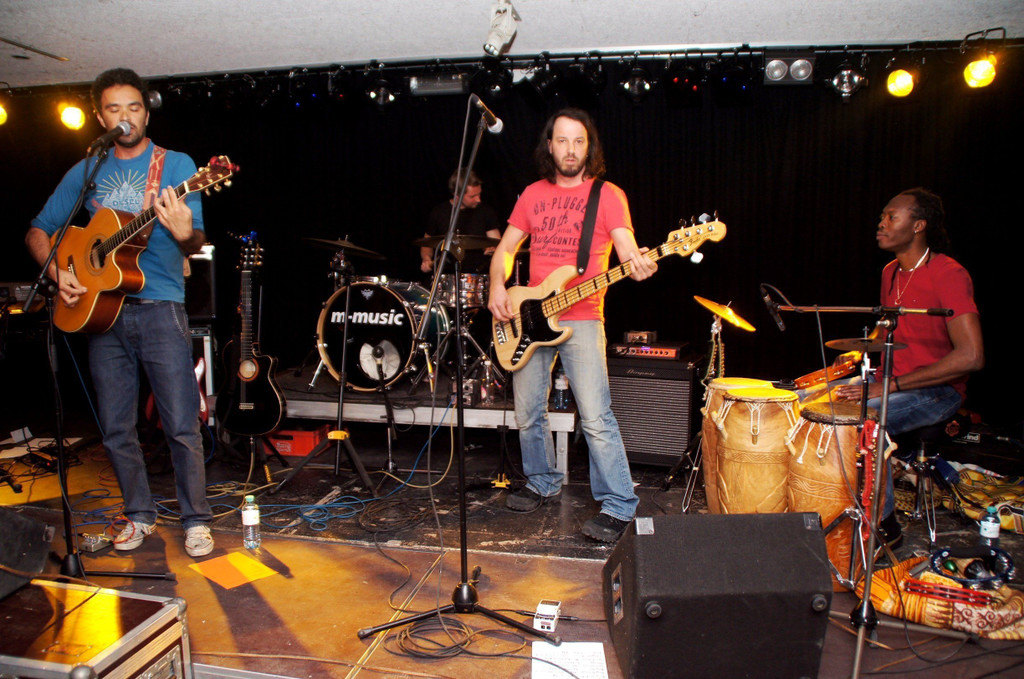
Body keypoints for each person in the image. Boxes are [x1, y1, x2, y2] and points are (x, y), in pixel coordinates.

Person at [25, 68, 215, 557]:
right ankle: (139, 514)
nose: (125, 117)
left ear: (146, 114)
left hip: (160, 307)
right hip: (101, 313)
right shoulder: (88, 169)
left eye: (134, 107)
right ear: (100, 117)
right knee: (115, 427)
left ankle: (196, 520)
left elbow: (194, 239)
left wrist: (183, 232)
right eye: (114, 109)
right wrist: (57, 273)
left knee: (181, 423)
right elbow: (39, 229)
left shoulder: (177, 165)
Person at [488, 108, 657, 542]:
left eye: (578, 141)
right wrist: (497, 286)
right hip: (529, 317)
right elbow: (505, 249)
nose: (570, 149)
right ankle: (541, 480)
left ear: (589, 147)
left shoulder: (608, 195)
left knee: (596, 416)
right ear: (550, 146)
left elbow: (626, 247)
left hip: (582, 317)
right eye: (562, 140)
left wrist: (639, 262)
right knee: (528, 413)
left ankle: (619, 504)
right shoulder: (532, 194)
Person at [834, 187, 983, 546]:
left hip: (938, 392)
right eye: (882, 217)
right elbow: (889, 325)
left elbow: (972, 356)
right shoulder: (891, 272)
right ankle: (827, 510)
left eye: (891, 217)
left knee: (863, 419)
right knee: (810, 402)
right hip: (892, 381)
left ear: (918, 225)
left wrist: (892, 386)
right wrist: (858, 351)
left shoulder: (949, 274)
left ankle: (883, 526)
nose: (881, 223)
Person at [419, 168, 502, 275]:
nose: (478, 199)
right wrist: (426, 259)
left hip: (477, 276)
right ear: (457, 195)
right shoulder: (439, 212)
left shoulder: (486, 212)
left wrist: (493, 249)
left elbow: (497, 242)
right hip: (447, 276)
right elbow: (427, 243)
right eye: (473, 196)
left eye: (479, 194)